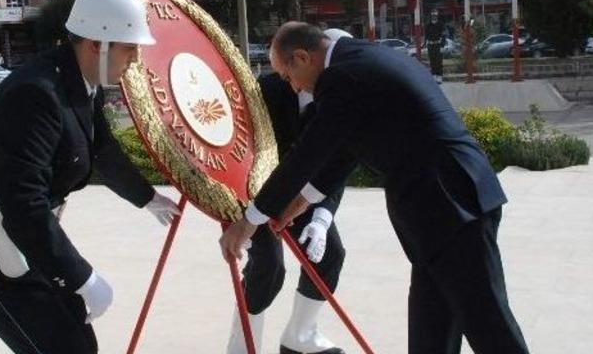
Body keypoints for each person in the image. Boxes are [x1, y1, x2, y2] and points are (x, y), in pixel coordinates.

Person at [220, 22, 529, 354]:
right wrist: (302, 201)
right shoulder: (362, 60)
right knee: (432, 326)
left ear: (302, 57)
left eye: (287, 75)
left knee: (488, 324)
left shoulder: (342, 77)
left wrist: (249, 221)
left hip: (450, 205)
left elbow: (308, 154)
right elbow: (344, 150)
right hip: (438, 208)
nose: (292, 87)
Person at [0, 0, 181, 354]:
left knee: (79, 342)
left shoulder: (80, 81)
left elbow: (101, 149)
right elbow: (24, 202)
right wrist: (82, 278)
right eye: (129, 48)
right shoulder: (36, 93)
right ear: (96, 44)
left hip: (22, 237)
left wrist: (147, 198)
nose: (135, 59)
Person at [227, 29, 356, 354]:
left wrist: (322, 218)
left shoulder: (342, 99)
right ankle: (241, 346)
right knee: (269, 267)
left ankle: (300, 336)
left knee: (329, 254)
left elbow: (337, 165)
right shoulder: (268, 90)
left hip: (299, 195)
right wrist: (247, 212)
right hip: (253, 190)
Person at [425, 9, 444, 83]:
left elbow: (443, 35)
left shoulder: (441, 24)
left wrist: (442, 46)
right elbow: (426, 36)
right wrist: (426, 44)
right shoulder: (428, 25)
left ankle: (439, 76)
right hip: (430, 45)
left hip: (438, 45)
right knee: (432, 61)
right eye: (433, 15)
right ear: (431, 16)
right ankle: (434, 75)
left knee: (439, 61)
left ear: (437, 16)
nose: (434, 16)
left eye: (435, 15)